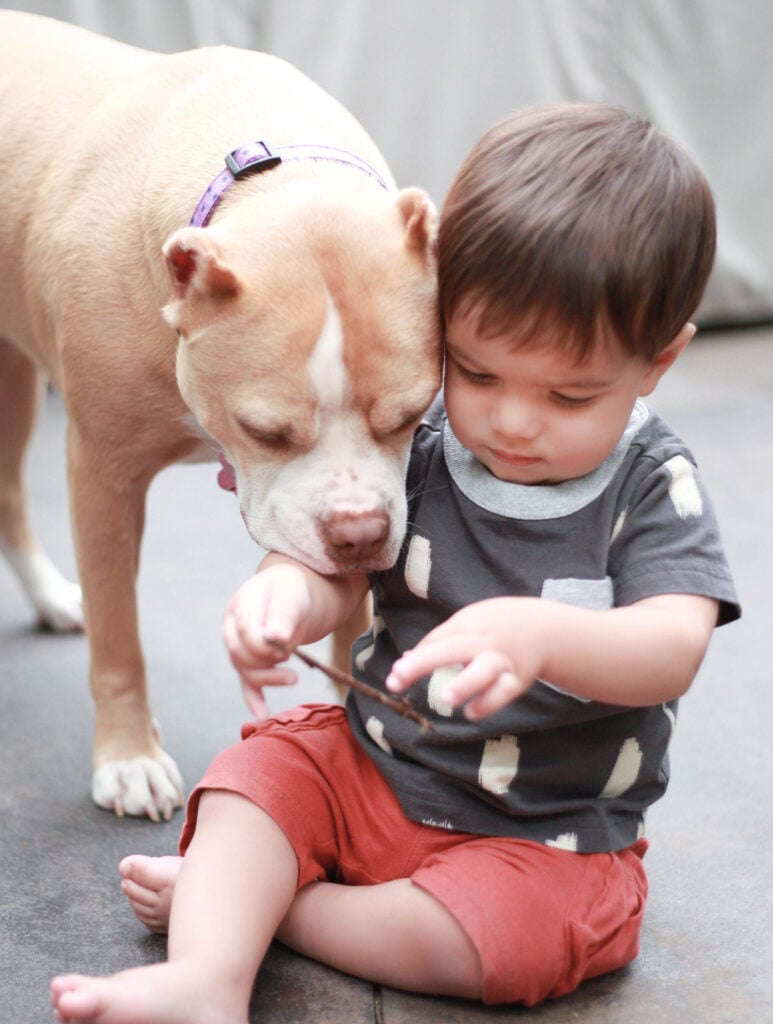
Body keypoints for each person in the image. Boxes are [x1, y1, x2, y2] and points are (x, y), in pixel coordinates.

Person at [51, 103, 740, 1023]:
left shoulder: (652, 486)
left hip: (541, 834)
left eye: (569, 393)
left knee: (527, 938)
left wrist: (544, 638)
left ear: (656, 362)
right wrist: (279, 602)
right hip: (371, 769)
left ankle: (274, 911)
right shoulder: (418, 433)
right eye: (476, 371)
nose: (511, 420)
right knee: (257, 780)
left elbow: (672, 644)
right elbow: (339, 571)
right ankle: (206, 980)